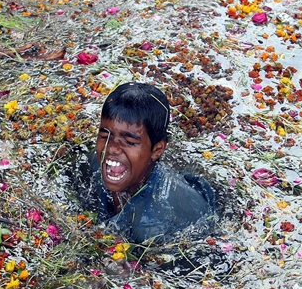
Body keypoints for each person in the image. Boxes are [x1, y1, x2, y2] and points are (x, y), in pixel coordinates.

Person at [84, 82, 216, 244]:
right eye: (105, 136)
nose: (111, 148)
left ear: (157, 150)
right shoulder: (95, 163)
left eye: (129, 142)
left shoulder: (151, 227)